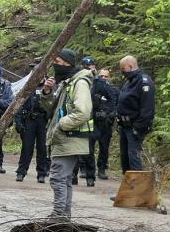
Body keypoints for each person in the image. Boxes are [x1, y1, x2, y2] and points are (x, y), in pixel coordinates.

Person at [40, 48, 93, 219]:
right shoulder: (67, 82)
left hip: (69, 138)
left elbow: (83, 112)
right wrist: (47, 92)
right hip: (64, 139)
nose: (56, 66)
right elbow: (53, 111)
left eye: (58, 63)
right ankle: (64, 216)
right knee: (65, 179)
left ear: (68, 64)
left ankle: (58, 215)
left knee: (57, 178)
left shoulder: (80, 83)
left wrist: (61, 125)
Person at [74, 56, 118, 186]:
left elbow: (113, 100)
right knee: (80, 148)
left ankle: (92, 175)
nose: (89, 70)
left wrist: (105, 113)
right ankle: (74, 175)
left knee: (96, 148)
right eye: (87, 67)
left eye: (91, 67)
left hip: (98, 121)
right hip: (80, 119)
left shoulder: (100, 83)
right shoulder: (77, 81)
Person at [116, 55, 155, 173]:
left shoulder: (144, 82)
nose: (122, 72)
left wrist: (138, 127)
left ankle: (138, 187)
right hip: (124, 126)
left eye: (123, 69)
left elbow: (147, 108)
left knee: (134, 157)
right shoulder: (129, 82)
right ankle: (129, 185)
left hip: (135, 126)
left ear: (131, 66)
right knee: (125, 157)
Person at [14, 74, 49, 183]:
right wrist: (18, 122)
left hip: (43, 121)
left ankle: (41, 173)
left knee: (42, 148)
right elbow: (19, 105)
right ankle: (21, 172)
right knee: (26, 148)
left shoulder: (49, 88)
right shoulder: (28, 88)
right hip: (29, 120)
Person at [95, 68, 119, 179]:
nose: (103, 78)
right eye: (101, 76)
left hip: (106, 123)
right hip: (94, 121)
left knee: (104, 147)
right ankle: (85, 168)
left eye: (106, 76)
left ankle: (102, 169)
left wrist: (111, 115)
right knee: (88, 145)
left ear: (109, 77)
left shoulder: (114, 90)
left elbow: (118, 105)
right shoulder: (94, 88)